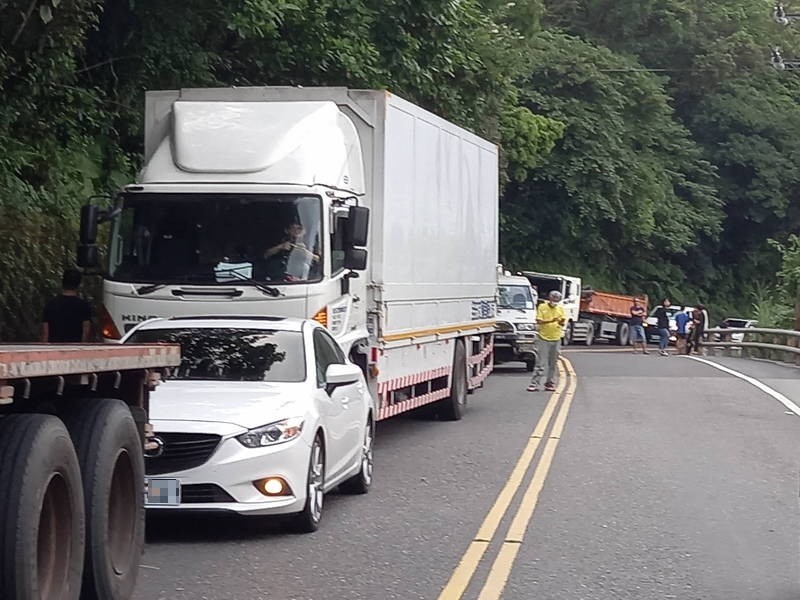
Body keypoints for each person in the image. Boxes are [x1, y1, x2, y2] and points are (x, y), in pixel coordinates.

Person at [527, 290, 566, 392]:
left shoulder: (560, 308)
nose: (555, 301)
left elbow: (562, 322)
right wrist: (552, 320)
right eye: (553, 299)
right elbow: (539, 320)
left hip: (556, 338)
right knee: (541, 362)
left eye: (557, 300)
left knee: (553, 363)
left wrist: (561, 322)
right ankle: (534, 383)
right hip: (543, 338)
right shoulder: (542, 307)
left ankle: (549, 383)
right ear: (550, 298)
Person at [41, 269, 92, 343]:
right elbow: (86, 333)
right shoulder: (84, 306)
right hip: (74, 350)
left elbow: (45, 333)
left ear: (62, 282)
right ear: (78, 285)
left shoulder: (50, 304)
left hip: (54, 349)